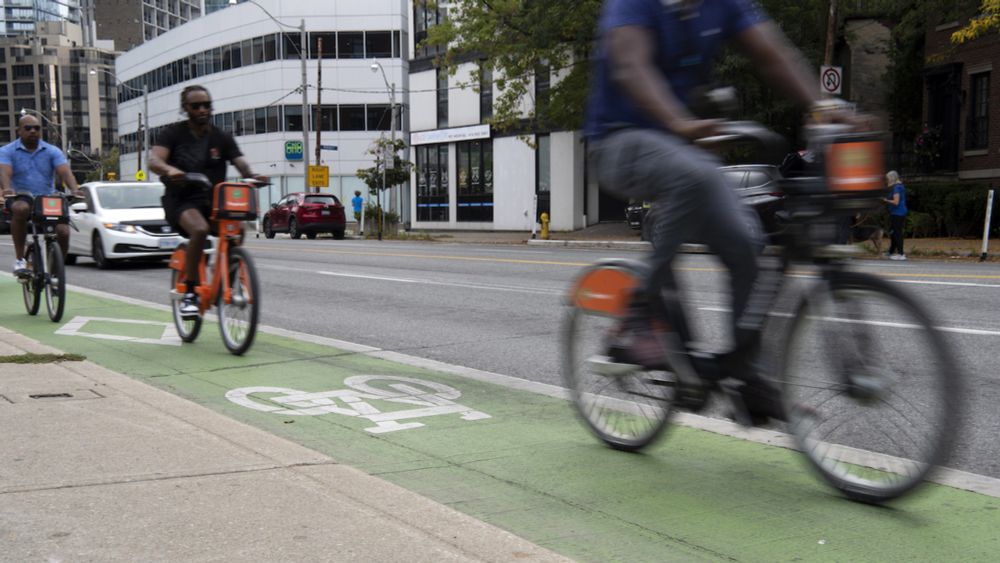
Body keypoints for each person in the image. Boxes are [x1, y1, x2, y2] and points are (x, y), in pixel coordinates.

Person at [585, 0, 857, 424]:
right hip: (618, 142)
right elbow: (630, 65)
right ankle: (638, 314)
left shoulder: (721, 4)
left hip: (680, 148)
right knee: (696, 174)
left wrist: (823, 108)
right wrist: (679, 123)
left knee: (747, 243)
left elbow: (772, 54)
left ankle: (748, 381)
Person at [149, 85, 266, 318]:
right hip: (181, 200)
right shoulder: (172, 134)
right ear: (186, 108)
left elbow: (239, 161)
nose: (203, 109)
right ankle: (190, 293)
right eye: (196, 106)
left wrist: (251, 175)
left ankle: (225, 279)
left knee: (236, 232)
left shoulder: (220, 137)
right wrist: (169, 170)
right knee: (200, 230)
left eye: (206, 105)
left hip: (212, 202)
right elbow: (154, 160)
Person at [0, 114, 80, 277]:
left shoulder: (52, 151)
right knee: (20, 209)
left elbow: (64, 171)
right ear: (19, 131)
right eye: (28, 128)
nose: (33, 131)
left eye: (36, 128)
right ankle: (20, 259)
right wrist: (7, 188)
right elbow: (5, 172)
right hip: (20, 196)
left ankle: (57, 269)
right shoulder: (7, 151)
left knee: (63, 231)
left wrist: (74, 189)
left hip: (47, 199)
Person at [883, 170, 907, 260]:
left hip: (898, 213)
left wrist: (886, 201)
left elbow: (896, 202)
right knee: (893, 232)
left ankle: (901, 254)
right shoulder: (899, 186)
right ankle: (891, 251)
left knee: (897, 233)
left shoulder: (896, 188)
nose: (887, 180)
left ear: (892, 178)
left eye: (888, 179)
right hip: (898, 212)